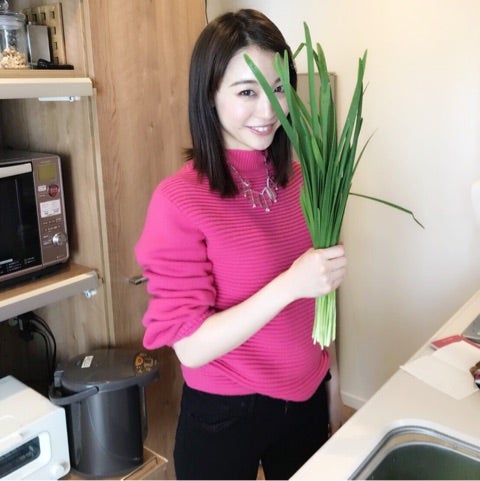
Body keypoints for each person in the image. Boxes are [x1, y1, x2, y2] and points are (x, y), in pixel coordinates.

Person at [135, 8, 347, 480]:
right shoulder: (179, 200)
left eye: (279, 88)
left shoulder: (304, 180)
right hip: (224, 412)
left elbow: (324, 297)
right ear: (209, 95)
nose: (269, 110)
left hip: (306, 397)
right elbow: (191, 348)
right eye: (247, 92)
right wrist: (291, 284)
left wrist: (332, 386)